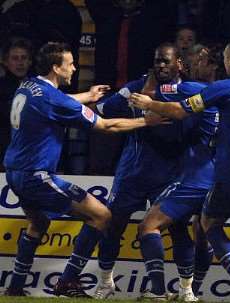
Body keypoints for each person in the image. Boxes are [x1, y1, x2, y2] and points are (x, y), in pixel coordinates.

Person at [1, 42, 157, 297]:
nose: (74, 68)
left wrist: (87, 96)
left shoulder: (29, 85)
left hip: (14, 172)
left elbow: (55, 101)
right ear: (56, 68)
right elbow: (107, 127)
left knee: (38, 223)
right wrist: (145, 120)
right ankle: (68, 281)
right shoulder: (52, 98)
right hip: (36, 175)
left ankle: (15, 286)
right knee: (102, 216)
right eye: (70, 64)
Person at [130, 40, 230, 303]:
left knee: (207, 224)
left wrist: (148, 103)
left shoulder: (222, 88)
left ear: (229, 61)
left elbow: (178, 110)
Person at [53, 43, 203, 300]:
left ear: (179, 62)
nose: (161, 66)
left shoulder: (189, 91)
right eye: (157, 61)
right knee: (113, 227)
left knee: (178, 230)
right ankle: (106, 282)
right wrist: (122, 98)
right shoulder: (135, 88)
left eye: (166, 61)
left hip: (171, 173)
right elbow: (104, 110)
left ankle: (185, 290)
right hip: (132, 172)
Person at [131, 45, 221, 302]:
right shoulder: (228, 91)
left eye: (198, 59)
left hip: (194, 176)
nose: (189, 64)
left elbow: (150, 94)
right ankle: (189, 291)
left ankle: (159, 291)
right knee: (200, 235)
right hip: (221, 177)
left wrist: (150, 95)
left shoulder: (189, 89)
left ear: (213, 65)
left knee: (149, 225)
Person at [0, 37, 33, 172]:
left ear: (30, 61)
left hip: (32, 155)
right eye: (15, 58)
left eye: (24, 58)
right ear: (6, 62)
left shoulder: (39, 86)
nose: (20, 63)